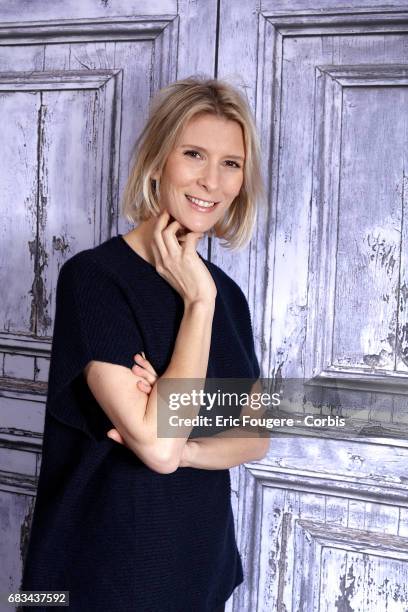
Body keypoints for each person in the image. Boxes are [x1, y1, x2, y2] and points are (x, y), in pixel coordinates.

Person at [21, 76, 269, 612]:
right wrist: (196, 306)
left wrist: (188, 445)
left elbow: (254, 438)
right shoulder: (94, 278)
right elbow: (157, 451)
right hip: (103, 572)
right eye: (194, 154)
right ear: (157, 161)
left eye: (231, 162)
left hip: (200, 566)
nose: (212, 180)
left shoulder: (230, 296)